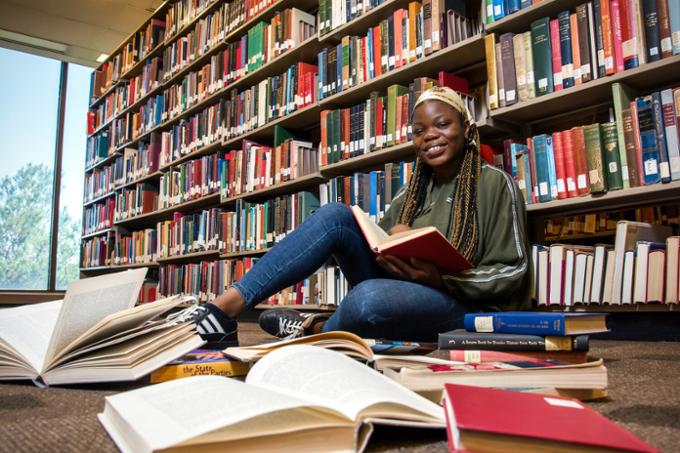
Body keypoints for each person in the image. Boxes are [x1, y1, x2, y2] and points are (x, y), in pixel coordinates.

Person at [187, 86, 531, 347]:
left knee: (369, 299)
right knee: (336, 215)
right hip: (407, 292)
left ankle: (316, 330)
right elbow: (378, 254)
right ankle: (224, 309)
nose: (430, 136)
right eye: (419, 130)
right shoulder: (409, 194)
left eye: (442, 124)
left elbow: (513, 270)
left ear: (467, 130)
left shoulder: (495, 184)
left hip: (466, 306)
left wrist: (440, 279)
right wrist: (390, 245)